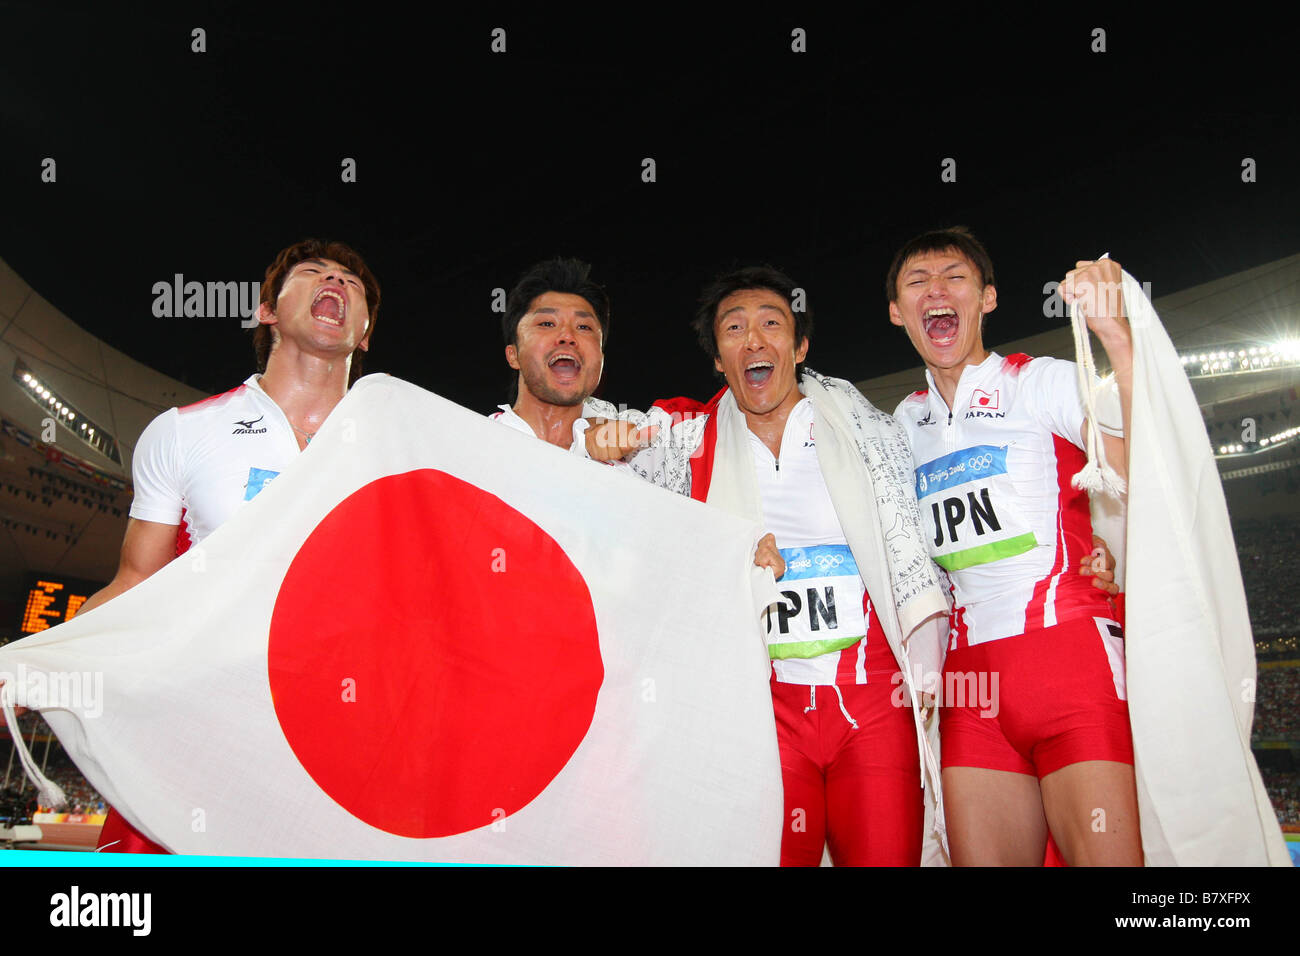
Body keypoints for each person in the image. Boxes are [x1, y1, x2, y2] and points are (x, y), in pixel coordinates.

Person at [591, 266, 950, 865]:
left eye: (771, 324)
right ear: (718, 360)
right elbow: (631, 510)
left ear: (800, 346)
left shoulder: (867, 428)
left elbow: (934, 525)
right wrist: (606, 450)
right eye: (734, 329)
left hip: (870, 709)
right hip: (763, 716)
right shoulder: (687, 444)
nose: (753, 340)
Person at [80, 238, 381, 853]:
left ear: (366, 332)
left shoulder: (404, 445)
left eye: (352, 283)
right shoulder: (185, 432)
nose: (336, 282)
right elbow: (136, 583)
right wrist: (36, 661)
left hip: (348, 739)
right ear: (267, 311)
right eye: (314, 273)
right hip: (202, 727)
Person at [886, 226, 1141, 866]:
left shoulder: (1038, 382)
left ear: (988, 298)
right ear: (897, 312)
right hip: (970, 686)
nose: (936, 290)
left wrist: (1119, 339)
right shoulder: (900, 425)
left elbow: (1140, 465)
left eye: (955, 278)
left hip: (1070, 657)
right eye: (918, 282)